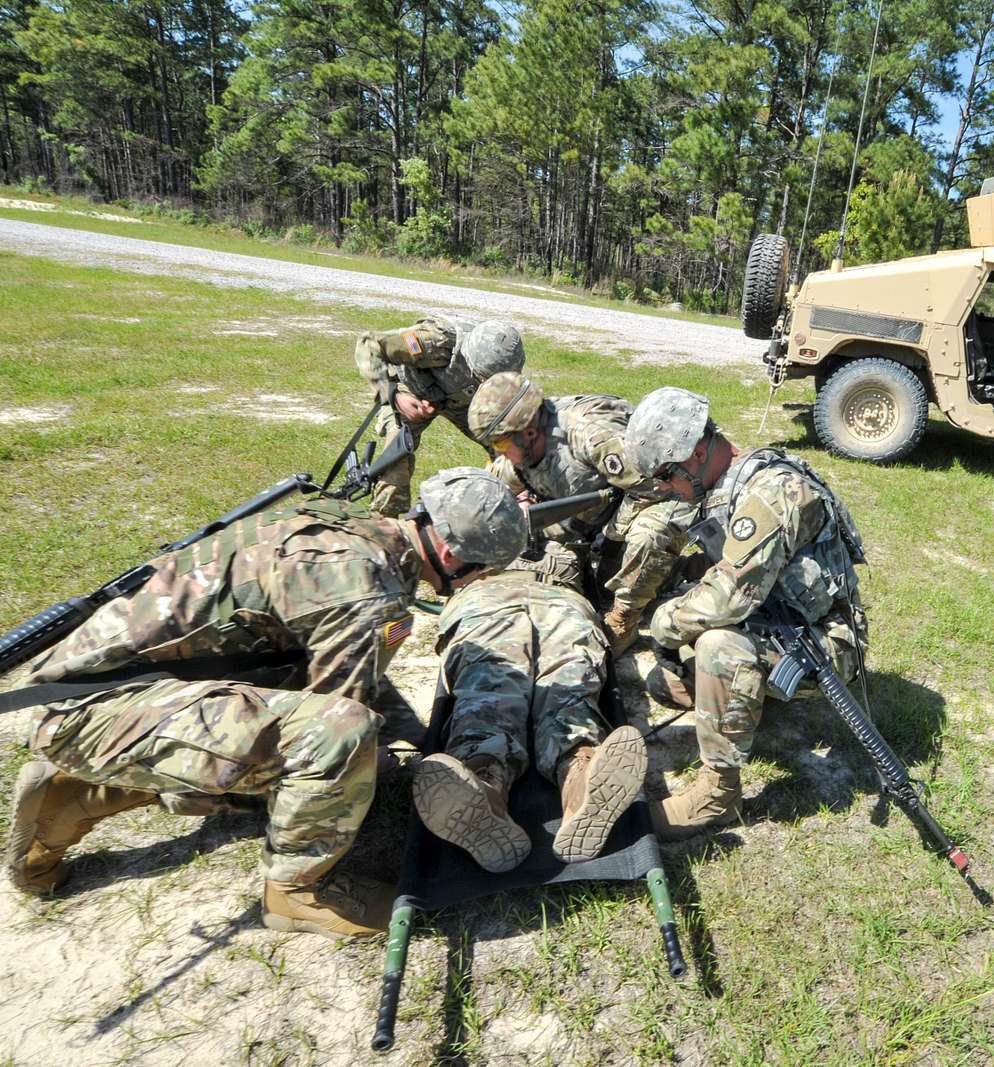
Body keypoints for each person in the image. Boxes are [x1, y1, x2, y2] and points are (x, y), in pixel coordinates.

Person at [4, 468, 526, 938]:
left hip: (108, 687)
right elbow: (336, 712)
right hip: (93, 711)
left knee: (321, 721)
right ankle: (296, 891)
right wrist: (381, 759)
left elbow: (326, 659)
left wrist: (415, 732)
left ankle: (78, 795)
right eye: (483, 570)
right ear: (456, 558)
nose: (477, 581)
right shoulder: (370, 593)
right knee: (341, 739)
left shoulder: (351, 532)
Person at [622, 387, 868, 838]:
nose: (665, 487)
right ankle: (747, 701)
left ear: (696, 454)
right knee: (670, 677)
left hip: (826, 645)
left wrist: (663, 621)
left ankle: (718, 794)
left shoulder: (770, 494)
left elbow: (730, 598)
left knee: (717, 643)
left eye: (665, 475)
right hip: (780, 621)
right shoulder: (730, 481)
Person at [412, 542, 647, 873]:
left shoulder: (567, 512)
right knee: (488, 690)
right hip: (485, 602)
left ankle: (581, 784)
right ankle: (483, 790)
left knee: (572, 683)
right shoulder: (466, 513)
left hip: (560, 602)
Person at [466, 372, 696, 656]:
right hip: (604, 505)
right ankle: (663, 573)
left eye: (500, 445)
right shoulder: (527, 448)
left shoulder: (591, 434)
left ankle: (625, 618)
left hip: (666, 493)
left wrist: (612, 539)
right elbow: (498, 480)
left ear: (528, 432)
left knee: (648, 535)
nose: (498, 452)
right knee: (524, 530)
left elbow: (655, 486)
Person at [353, 315, 525, 515]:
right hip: (411, 391)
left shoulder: (505, 359)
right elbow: (369, 344)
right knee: (396, 459)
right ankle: (385, 526)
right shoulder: (435, 341)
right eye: (483, 376)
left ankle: (499, 516)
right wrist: (393, 394)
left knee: (514, 453)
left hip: (461, 401)